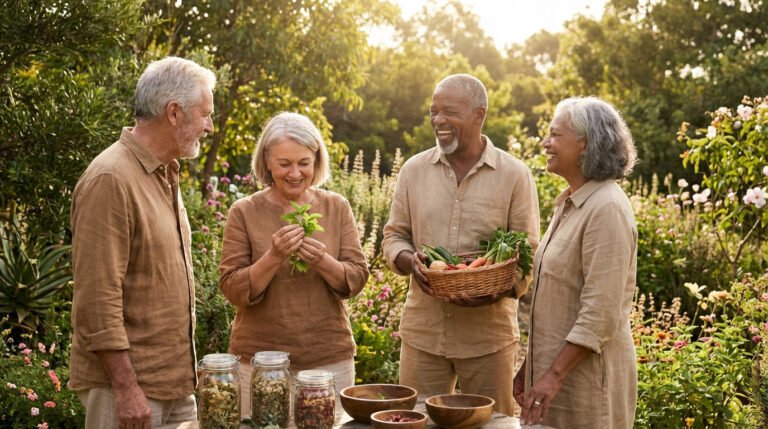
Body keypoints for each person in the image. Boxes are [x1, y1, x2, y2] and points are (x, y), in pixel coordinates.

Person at [69, 57, 216, 428]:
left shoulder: (163, 171)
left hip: (174, 386)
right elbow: (97, 298)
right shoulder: (111, 178)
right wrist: (127, 389)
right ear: (173, 113)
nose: (209, 126)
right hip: (128, 391)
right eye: (204, 114)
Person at [381, 74, 540, 416]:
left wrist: (496, 289)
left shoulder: (514, 175)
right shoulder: (413, 171)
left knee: (492, 424)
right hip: (423, 335)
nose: (438, 120)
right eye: (433, 111)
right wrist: (411, 262)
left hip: (488, 340)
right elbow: (394, 236)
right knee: (414, 422)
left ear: (479, 115)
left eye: (449, 112)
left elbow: (529, 252)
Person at [218, 112, 369, 418]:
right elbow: (232, 288)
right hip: (260, 364)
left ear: (316, 160)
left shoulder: (335, 206)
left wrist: (323, 261)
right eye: (284, 164)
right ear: (267, 162)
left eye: (304, 163)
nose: (295, 173)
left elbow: (356, 277)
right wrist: (273, 256)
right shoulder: (244, 212)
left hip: (329, 360)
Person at [514, 96, 638, 428]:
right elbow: (556, 299)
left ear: (584, 144)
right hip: (555, 379)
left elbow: (601, 312)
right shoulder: (571, 202)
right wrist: (530, 367)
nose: (546, 143)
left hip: (584, 383)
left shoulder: (606, 208)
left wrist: (552, 376)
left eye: (555, 135)